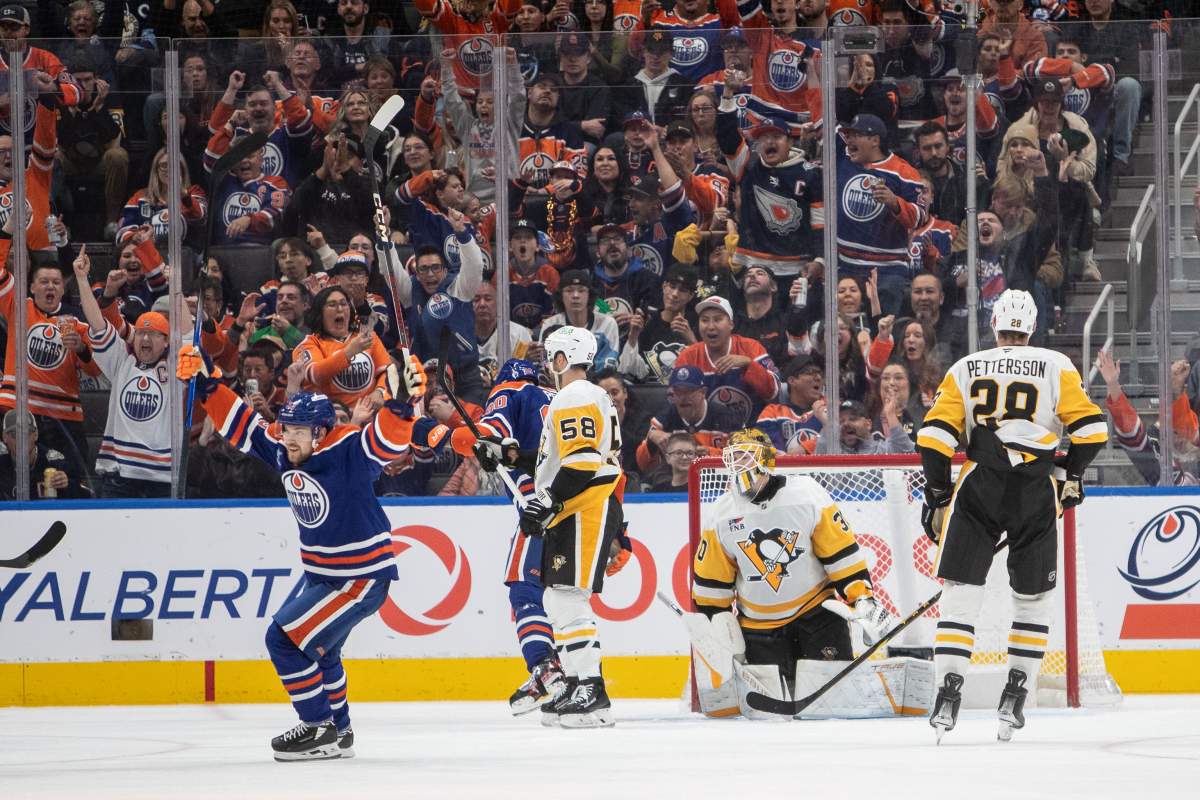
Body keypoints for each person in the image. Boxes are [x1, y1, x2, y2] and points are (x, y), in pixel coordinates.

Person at [176, 339, 430, 760]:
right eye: (287, 428)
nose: (288, 439)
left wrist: (401, 406)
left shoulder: (348, 448)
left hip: (360, 576)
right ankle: (341, 732)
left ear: (321, 432)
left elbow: (385, 444)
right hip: (322, 573)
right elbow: (244, 427)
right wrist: (208, 384)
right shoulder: (284, 447)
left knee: (282, 639)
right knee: (322, 648)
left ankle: (317, 727)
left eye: (297, 432)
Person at [916, 289, 1108, 743]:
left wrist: (939, 495)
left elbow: (934, 438)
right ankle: (1015, 695)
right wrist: (1069, 474)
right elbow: (1093, 430)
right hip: (1034, 490)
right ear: (1032, 327)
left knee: (961, 595)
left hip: (979, 484)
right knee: (1032, 599)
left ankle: (948, 693)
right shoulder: (1054, 364)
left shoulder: (966, 367)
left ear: (995, 325)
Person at [690, 428, 892, 717]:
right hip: (759, 629)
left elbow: (840, 554)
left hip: (817, 617)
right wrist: (715, 627)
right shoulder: (722, 513)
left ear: (767, 459)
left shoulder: (806, 494)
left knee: (835, 709)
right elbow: (712, 583)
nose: (740, 464)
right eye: (735, 457)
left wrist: (862, 599)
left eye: (747, 456)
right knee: (769, 716)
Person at [519, 326, 625, 728]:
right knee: (559, 598)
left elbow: (580, 462)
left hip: (583, 507)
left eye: (552, 355)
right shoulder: (585, 396)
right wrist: (515, 454)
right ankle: (580, 682)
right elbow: (568, 456)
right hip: (579, 507)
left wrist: (547, 500)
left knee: (567, 598)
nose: (549, 363)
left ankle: (591, 689)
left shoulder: (574, 395)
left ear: (563, 357)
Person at [447, 358, 565, 713]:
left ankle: (547, 669)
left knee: (525, 591)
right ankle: (574, 675)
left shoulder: (512, 389)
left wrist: (453, 435)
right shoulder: (562, 397)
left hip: (540, 509)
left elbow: (486, 434)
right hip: (582, 507)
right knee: (565, 599)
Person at [72, 245, 173, 498]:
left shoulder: (176, 370)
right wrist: (82, 279)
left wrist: (176, 286)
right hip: (119, 478)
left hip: (161, 478)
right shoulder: (121, 361)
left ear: (167, 341)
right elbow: (96, 321)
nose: (145, 339)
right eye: (140, 333)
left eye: (153, 334)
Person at [716, 71, 823, 278]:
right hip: (752, 266)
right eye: (764, 138)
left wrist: (820, 260)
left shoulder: (810, 175)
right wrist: (728, 93)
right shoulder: (748, 164)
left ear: (790, 142)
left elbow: (820, 223)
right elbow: (726, 135)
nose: (769, 142)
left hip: (796, 268)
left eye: (776, 137)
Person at [673, 296, 782, 428]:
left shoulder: (751, 347)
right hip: (705, 435)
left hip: (752, 433)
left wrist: (748, 364)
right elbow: (675, 402)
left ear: (731, 324)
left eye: (718, 319)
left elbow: (773, 391)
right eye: (704, 320)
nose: (711, 326)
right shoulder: (688, 356)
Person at [637, 364, 744, 475]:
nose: (683, 397)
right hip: (675, 481)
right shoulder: (662, 420)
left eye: (689, 391)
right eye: (678, 391)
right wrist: (651, 441)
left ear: (703, 392)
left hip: (717, 480)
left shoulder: (728, 417)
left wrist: (710, 453)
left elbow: (743, 459)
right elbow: (642, 466)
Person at [620, 262, 698, 383]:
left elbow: (708, 372)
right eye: (672, 286)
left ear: (691, 296)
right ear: (664, 286)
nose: (675, 294)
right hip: (650, 397)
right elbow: (626, 370)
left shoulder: (698, 325)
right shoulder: (646, 323)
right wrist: (633, 336)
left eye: (682, 290)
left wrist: (692, 342)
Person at [116, 148, 208, 245]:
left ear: (182, 169)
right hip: (149, 255)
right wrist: (137, 237)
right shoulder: (140, 197)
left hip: (185, 254)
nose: (169, 169)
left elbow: (202, 218)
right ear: (156, 170)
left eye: (174, 165)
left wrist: (183, 194)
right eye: (164, 165)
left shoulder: (194, 192)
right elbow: (123, 230)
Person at [538, 270, 620, 372]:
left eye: (581, 290)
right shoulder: (550, 325)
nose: (575, 295)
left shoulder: (607, 323)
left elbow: (608, 366)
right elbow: (546, 365)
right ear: (561, 296)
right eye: (569, 290)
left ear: (589, 295)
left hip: (598, 385)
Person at [0, 409, 89, 500]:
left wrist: (68, 485)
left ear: (36, 435)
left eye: (27, 433)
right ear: (4, 437)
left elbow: (84, 496)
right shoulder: (1, 461)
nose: (22, 439)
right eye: (14, 434)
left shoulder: (55, 462)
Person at [755, 354, 824, 455]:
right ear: (792, 381)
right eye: (811, 373)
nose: (818, 378)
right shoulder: (772, 413)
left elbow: (841, 439)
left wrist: (806, 447)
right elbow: (770, 455)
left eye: (820, 374)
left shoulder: (830, 410)